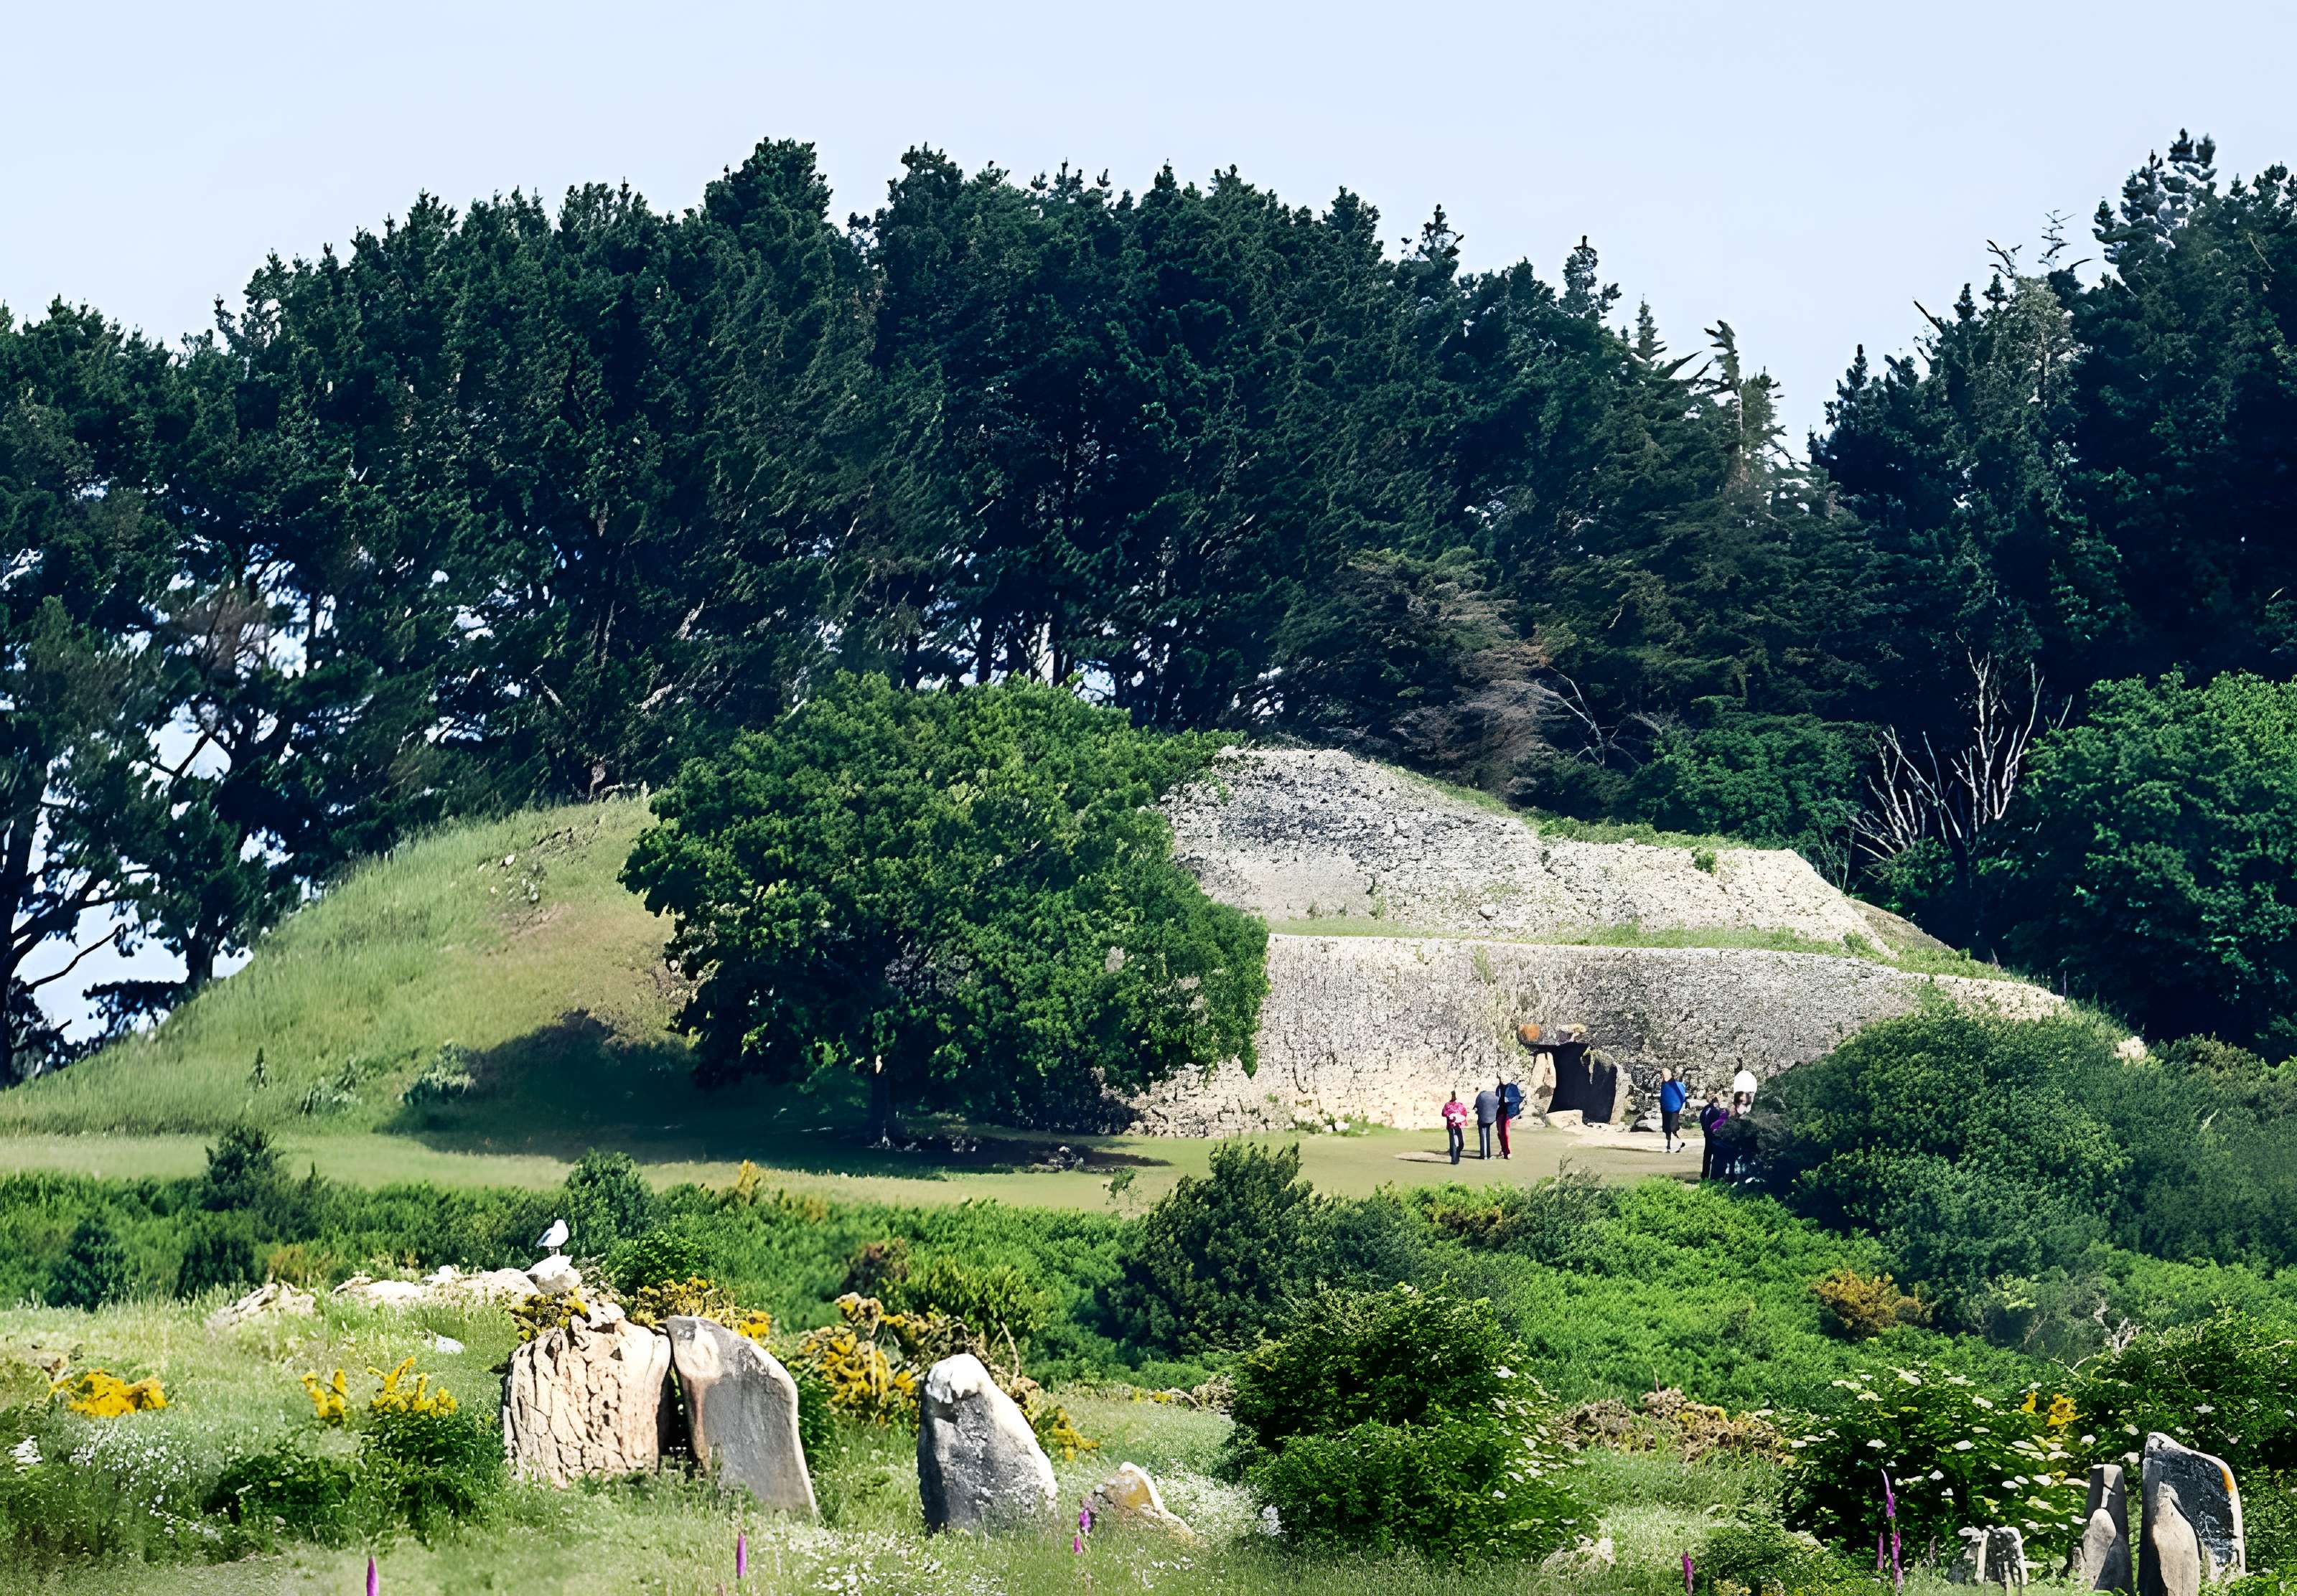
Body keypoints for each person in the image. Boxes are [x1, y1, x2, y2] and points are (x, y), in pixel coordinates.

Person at [1698, 1090, 1729, 1180]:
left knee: (1707, 1156)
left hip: (1708, 1135)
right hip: (1714, 1136)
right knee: (1715, 1156)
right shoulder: (1716, 1111)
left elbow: (1702, 1119)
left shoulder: (1706, 1109)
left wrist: (1704, 1130)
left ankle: (1705, 1174)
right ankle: (1714, 1176)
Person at [1657, 1069, 1689, 1153]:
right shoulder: (1665, 1085)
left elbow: (1680, 1097)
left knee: (1671, 1128)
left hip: (1672, 1109)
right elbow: (1663, 1097)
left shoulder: (1676, 1085)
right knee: (1670, 1128)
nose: (1663, 1077)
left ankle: (1676, 1143)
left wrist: (1677, 1107)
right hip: (1668, 1109)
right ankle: (1671, 1144)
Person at [1496, 1075, 1523, 1159]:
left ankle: (1507, 1152)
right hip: (1499, 1112)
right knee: (1500, 1132)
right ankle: (1503, 1149)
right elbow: (1496, 1098)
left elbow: (1519, 1098)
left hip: (1508, 1112)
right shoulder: (1499, 1088)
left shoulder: (1513, 1087)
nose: (1503, 1079)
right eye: (1501, 1078)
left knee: (1505, 1132)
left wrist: (1509, 1099)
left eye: (1504, 1077)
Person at [1473, 1082, 1500, 1160]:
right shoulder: (1495, 1096)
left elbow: (1476, 1107)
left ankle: (1484, 1155)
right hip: (1491, 1119)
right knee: (1488, 1135)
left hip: (1482, 1119)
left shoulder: (1480, 1096)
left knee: (1483, 1136)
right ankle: (1488, 1154)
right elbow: (1498, 1106)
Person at [1442, 1089, 1469, 1165]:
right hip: (1451, 1125)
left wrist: (1461, 1117)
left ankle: (1454, 1152)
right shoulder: (1448, 1105)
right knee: (1454, 1142)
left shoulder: (1460, 1105)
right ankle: (1454, 1159)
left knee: (1461, 1143)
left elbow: (1465, 1113)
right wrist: (1450, 1116)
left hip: (1459, 1125)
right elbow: (1444, 1113)